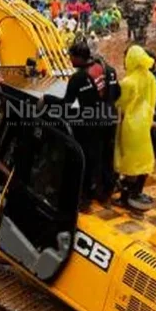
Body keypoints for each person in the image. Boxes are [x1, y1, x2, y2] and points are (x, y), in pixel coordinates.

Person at [42, 40, 120, 208]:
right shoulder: (110, 71)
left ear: (78, 57)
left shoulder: (78, 77)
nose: (69, 60)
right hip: (110, 121)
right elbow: (117, 93)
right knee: (107, 158)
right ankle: (105, 195)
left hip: (91, 125)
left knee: (87, 159)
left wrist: (47, 99)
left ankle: (84, 199)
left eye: (70, 56)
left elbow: (67, 103)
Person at [115, 45, 156, 211]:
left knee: (130, 163)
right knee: (143, 160)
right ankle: (136, 193)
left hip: (131, 126)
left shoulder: (128, 82)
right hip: (145, 123)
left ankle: (124, 198)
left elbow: (120, 105)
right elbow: (153, 99)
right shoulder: (151, 78)